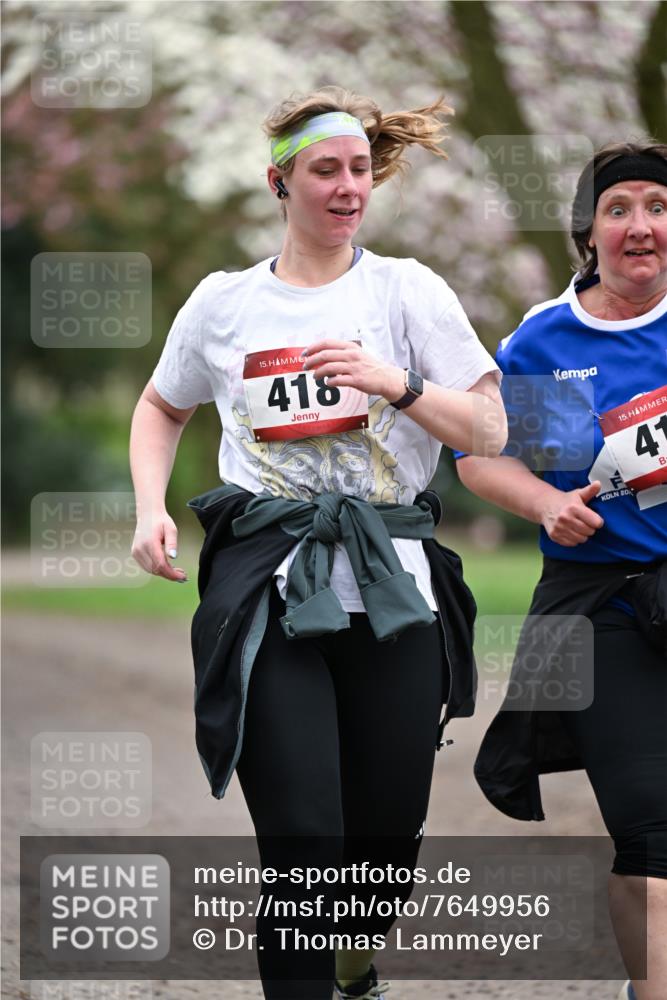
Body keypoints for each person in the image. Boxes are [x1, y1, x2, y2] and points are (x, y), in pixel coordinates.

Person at [130, 85, 507, 1000]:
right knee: (302, 841)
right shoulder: (224, 304)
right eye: (324, 171)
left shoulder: (406, 290)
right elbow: (161, 405)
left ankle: (354, 949)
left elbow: (489, 432)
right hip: (268, 590)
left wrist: (398, 383)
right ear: (280, 182)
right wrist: (150, 507)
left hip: (393, 592)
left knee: (381, 839)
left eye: (358, 172)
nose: (347, 188)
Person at [456, 140, 667, 1000]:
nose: (640, 226)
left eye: (656, 205)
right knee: (652, 845)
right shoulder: (550, 342)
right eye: (618, 210)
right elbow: (485, 459)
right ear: (588, 233)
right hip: (605, 608)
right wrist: (546, 504)